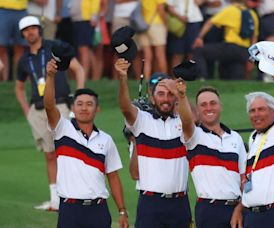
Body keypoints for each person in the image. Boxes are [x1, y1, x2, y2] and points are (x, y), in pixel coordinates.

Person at [43, 59, 129, 228]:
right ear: (73, 108)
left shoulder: (106, 140)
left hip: (98, 210)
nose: (84, 108)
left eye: (89, 104)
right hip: (70, 209)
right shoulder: (62, 128)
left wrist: (122, 210)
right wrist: (51, 76)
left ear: (97, 109)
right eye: (79, 104)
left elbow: (113, 176)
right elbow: (49, 105)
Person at [15, 15, 85, 211]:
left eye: (33, 28)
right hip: (38, 110)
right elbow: (19, 88)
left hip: (61, 105)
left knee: (68, 152)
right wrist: (27, 111)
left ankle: (73, 195)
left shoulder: (55, 48)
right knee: (49, 155)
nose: (30, 32)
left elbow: (78, 70)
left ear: (39, 29)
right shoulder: (24, 59)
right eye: (26, 30)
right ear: (23, 34)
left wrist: (78, 98)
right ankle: (55, 200)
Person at [115, 58, 191, 228]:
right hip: (151, 204)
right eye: (161, 94)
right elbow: (125, 107)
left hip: (180, 203)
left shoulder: (182, 121)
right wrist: (122, 79)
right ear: (152, 97)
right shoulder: (142, 120)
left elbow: (195, 118)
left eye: (170, 94)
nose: (166, 99)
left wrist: (180, 93)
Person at [165, 80, 246, 228]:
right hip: (209, 210)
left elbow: (243, 180)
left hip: (237, 209)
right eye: (203, 105)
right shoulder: (195, 135)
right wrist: (181, 96)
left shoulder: (235, 138)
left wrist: (241, 207)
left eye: (213, 103)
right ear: (197, 110)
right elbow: (187, 120)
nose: (209, 107)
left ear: (220, 106)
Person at [231, 69, 274, 227]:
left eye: (261, 109)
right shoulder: (254, 137)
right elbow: (255, 183)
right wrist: (240, 208)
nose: (256, 114)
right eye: (252, 111)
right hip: (253, 216)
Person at [192, 0, 259, 80]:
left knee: (199, 51)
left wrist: (199, 37)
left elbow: (210, 22)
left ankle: (202, 77)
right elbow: (254, 39)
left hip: (230, 48)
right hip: (243, 52)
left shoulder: (231, 10)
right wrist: (251, 59)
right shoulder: (253, 14)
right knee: (236, 79)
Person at [0, 0, 28, 81]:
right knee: (1, 48)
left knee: (20, 48)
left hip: (22, 10)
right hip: (2, 9)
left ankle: (19, 80)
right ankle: (3, 81)